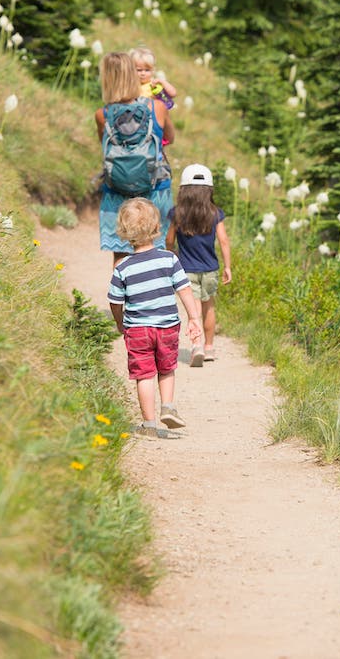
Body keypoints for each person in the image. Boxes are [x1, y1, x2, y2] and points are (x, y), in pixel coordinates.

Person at [108, 197, 202, 437]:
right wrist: (193, 318)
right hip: (167, 326)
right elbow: (185, 289)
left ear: (124, 232)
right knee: (167, 368)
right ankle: (168, 406)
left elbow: (115, 301)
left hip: (137, 329)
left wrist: (120, 322)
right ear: (156, 228)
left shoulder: (122, 267)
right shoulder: (169, 259)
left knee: (144, 374)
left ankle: (149, 424)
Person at [96, 51, 174, 263]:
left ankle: (120, 296)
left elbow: (104, 146)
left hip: (117, 189)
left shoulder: (102, 114)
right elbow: (170, 137)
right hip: (155, 188)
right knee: (157, 253)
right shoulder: (157, 107)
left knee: (121, 254)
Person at [166, 163, 232, 366]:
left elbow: (169, 240)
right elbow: (223, 241)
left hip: (186, 269)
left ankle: (196, 346)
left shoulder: (177, 213)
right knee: (209, 307)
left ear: (183, 190)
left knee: (193, 310)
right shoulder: (215, 213)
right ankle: (210, 347)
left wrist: (172, 254)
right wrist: (228, 266)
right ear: (209, 190)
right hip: (210, 268)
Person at [129, 46, 179, 246]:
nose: (142, 74)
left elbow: (173, 93)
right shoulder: (130, 88)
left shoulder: (153, 86)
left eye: (146, 70)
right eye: (138, 69)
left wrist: (161, 81)